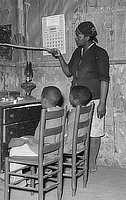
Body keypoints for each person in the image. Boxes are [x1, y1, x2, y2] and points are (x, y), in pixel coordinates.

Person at [48, 21, 110, 172]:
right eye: (76, 35)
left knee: (94, 133)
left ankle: (91, 163)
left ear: (88, 37)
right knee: (75, 132)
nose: (76, 38)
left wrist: (102, 102)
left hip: (94, 100)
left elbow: (104, 79)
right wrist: (59, 56)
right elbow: (69, 72)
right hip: (76, 100)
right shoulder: (78, 52)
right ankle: (76, 161)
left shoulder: (100, 53)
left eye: (79, 35)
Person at [0, 86, 63, 184]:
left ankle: (16, 178)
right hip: (55, 149)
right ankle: (23, 178)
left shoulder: (46, 115)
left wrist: (28, 141)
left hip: (44, 150)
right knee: (24, 140)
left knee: (15, 150)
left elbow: (39, 139)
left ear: (44, 101)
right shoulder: (61, 112)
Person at [64, 85, 92, 153]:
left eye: (70, 97)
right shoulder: (85, 111)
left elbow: (70, 134)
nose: (69, 98)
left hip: (70, 146)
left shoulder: (74, 114)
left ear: (76, 101)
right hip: (81, 144)